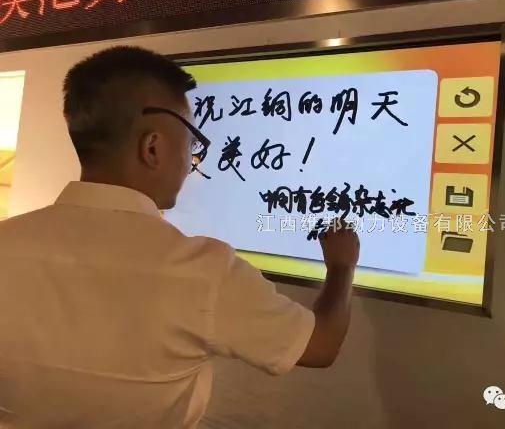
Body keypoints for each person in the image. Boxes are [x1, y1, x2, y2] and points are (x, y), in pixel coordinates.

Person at [0, 46, 360, 428]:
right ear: (152, 147)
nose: (192, 162)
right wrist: (342, 266)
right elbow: (320, 346)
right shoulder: (205, 271)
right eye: (192, 143)